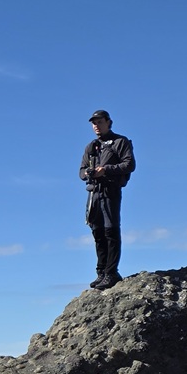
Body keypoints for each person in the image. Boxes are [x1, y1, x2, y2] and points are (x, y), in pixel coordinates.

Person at [79, 109, 135, 290]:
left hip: (111, 190)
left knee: (111, 231)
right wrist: (88, 173)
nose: (96, 125)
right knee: (98, 232)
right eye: (94, 123)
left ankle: (111, 272)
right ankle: (101, 272)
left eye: (99, 122)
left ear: (108, 122)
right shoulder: (91, 147)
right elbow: (81, 172)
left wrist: (106, 169)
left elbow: (129, 164)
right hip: (94, 193)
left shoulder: (120, 142)